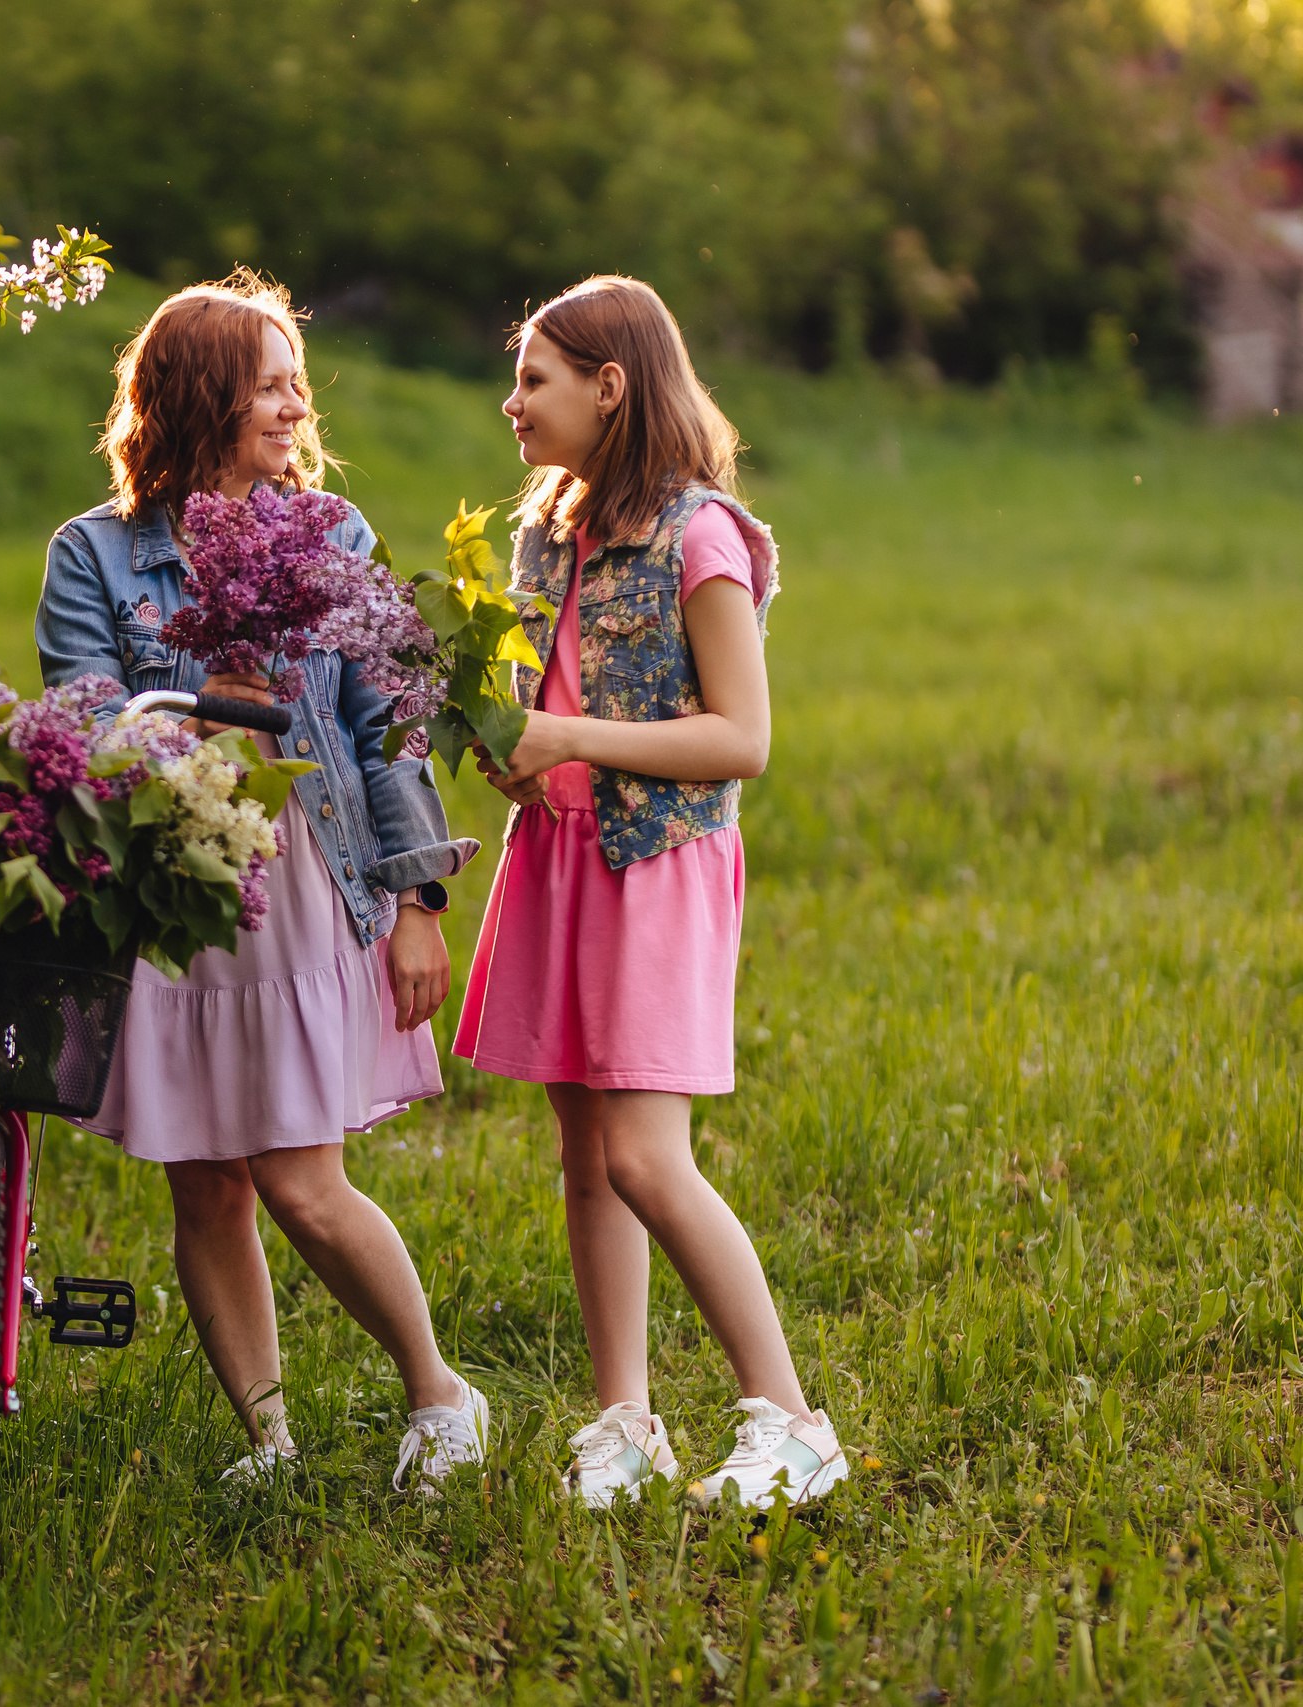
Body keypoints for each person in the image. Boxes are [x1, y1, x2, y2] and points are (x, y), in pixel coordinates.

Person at [36, 271, 487, 1493]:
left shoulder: (330, 533)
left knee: (299, 1180)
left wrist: (416, 902)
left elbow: (386, 724)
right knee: (208, 1187)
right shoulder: (95, 553)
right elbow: (82, 724)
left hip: (301, 883)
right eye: (271, 386)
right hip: (173, 896)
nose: (297, 407)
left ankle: (441, 1398)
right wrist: (202, 696)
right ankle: (270, 1442)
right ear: (199, 400)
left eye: (297, 384)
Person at [455, 274, 849, 1510]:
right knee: (585, 1157)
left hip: (656, 867)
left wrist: (566, 737)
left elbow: (741, 740)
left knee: (644, 1158)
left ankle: (790, 1421)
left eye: (535, 378)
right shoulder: (543, 531)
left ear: (608, 386)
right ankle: (624, 1420)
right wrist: (499, 739)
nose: (511, 402)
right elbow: (536, 705)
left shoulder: (700, 535)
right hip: (561, 860)